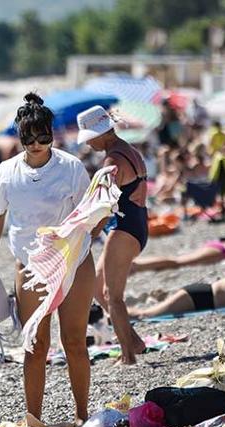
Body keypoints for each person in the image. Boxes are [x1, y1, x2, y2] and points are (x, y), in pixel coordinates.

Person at [0, 93, 95, 424]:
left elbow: (90, 214)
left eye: (44, 137)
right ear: (20, 136)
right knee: (35, 345)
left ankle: (82, 416)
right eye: (30, 139)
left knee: (74, 342)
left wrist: (83, 232)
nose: (37, 144)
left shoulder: (71, 167)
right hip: (30, 267)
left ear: (52, 134)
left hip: (73, 262)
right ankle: (33, 419)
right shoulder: (7, 171)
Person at [77, 105, 148, 366]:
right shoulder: (128, 150)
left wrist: (91, 233)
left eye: (89, 138)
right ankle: (135, 341)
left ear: (101, 133)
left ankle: (127, 356)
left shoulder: (113, 160)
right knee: (97, 288)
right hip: (135, 226)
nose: (89, 144)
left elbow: (105, 206)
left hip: (123, 229)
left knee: (112, 295)